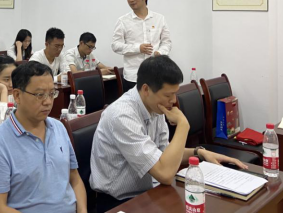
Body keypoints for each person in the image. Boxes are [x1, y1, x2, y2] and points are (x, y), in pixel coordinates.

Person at [90, 56, 248, 212]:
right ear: (146, 89)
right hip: (118, 202)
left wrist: (199, 153)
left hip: (149, 192)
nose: (173, 100)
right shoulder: (122, 115)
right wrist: (183, 125)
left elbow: (165, 154)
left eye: (175, 93)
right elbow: (165, 173)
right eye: (168, 95)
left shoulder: (155, 106)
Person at [0, 61, 88, 213]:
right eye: (39, 95)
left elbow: (74, 179)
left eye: (51, 93)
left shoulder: (59, 128)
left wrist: (82, 211)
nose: (48, 102)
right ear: (17, 95)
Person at [112, 0, 172, 92]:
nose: (131, 0)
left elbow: (166, 42)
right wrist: (138, 48)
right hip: (133, 77)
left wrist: (160, 52)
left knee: (156, 103)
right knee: (134, 103)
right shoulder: (123, 21)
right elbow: (115, 45)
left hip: (156, 75)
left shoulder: (159, 19)